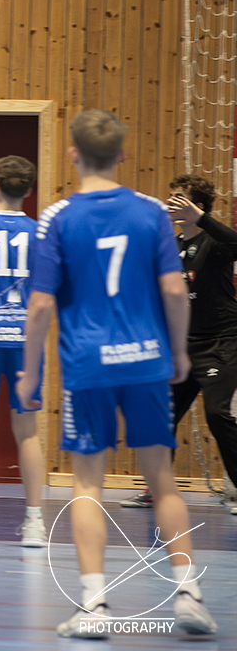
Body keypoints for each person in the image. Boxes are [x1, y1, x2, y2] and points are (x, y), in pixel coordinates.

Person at [17, 108, 217, 638]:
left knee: (87, 485)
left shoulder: (58, 218)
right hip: (146, 360)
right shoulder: (152, 213)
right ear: (124, 154)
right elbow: (175, 290)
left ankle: (94, 606)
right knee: (162, 479)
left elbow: (38, 307)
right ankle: (189, 593)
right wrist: (178, 352)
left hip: (88, 365)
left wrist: (29, 374)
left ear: (74, 154)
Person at [118, 175, 237, 513]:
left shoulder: (215, 243)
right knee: (160, 417)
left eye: (180, 197)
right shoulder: (170, 246)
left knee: (216, 414)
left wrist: (201, 219)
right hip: (182, 346)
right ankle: (157, 489)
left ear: (197, 206)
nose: (172, 202)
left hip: (221, 342)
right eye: (170, 196)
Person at [0, 155, 47, 547]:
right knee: (28, 433)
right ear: (29, 191)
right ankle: (34, 523)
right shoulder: (42, 234)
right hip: (25, 342)